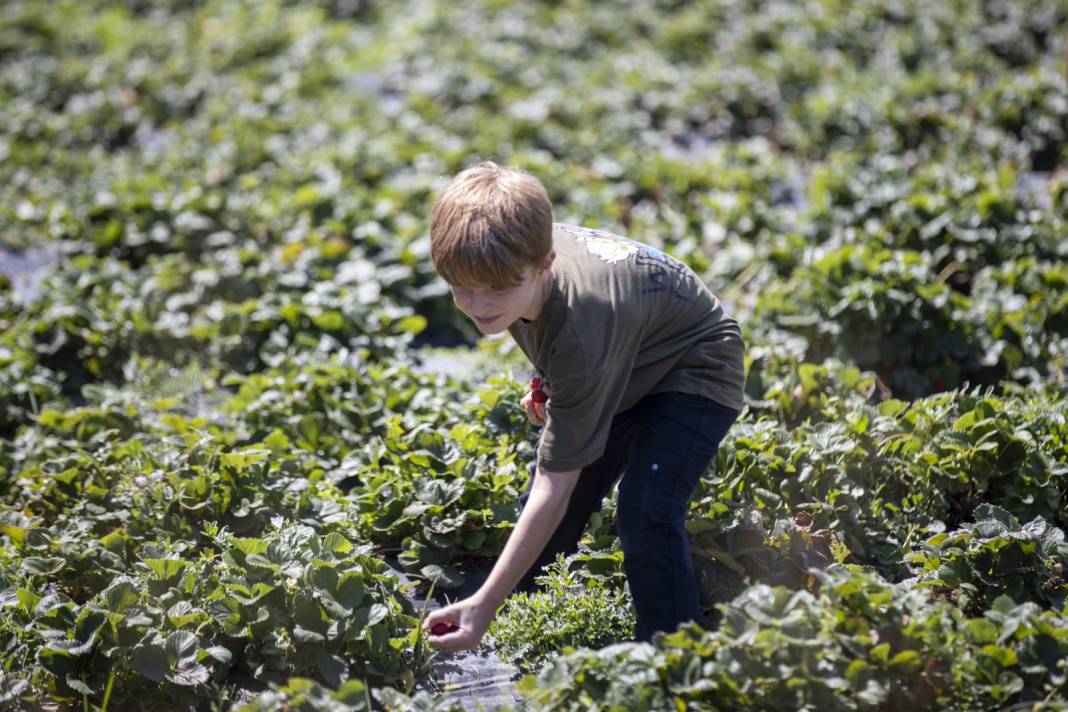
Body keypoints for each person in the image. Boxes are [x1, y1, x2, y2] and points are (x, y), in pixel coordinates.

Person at [422, 160, 745, 651]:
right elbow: (557, 340)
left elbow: (557, 477)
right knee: (566, 502)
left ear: (544, 263)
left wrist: (481, 604)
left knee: (645, 511)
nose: (479, 304)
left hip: (696, 365)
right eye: (462, 287)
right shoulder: (506, 259)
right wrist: (551, 383)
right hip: (625, 358)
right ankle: (522, 615)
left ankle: (675, 657)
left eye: (497, 290)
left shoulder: (582, 327)